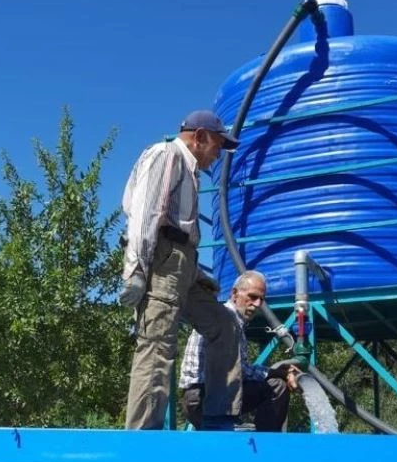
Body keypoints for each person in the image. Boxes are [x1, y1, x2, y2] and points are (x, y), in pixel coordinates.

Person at [119, 111, 243, 430]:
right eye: (217, 145)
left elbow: (184, 230)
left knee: (225, 325)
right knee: (158, 343)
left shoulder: (191, 172)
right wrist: (136, 271)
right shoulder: (166, 155)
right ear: (199, 136)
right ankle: (142, 438)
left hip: (183, 264)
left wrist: (196, 273)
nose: (218, 154)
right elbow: (146, 215)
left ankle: (219, 418)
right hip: (163, 259)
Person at [180, 271, 302, 432]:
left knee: (275, 383)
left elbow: (239, 371)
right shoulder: (225, 319)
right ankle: (266, 441)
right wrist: (278, 372)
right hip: (201, 397)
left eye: (261, 299)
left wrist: (278, 372)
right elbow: (240, 371)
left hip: (211, 395)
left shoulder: (234, 322)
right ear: (234, 293)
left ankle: (263, 438)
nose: (257, 304)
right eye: (252, 296)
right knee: (276, 386)